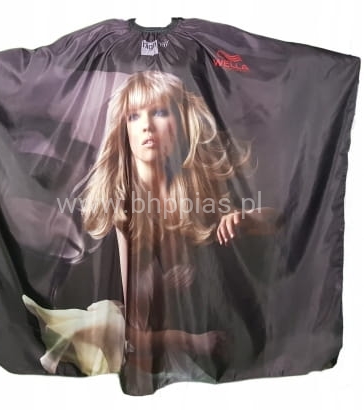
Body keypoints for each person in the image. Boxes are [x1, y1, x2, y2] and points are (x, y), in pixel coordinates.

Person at [23, 70, 279, 392]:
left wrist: (248, 219)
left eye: (159, 112)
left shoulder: (198, 183)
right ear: (124, 129)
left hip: (197, 323)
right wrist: (190, 339)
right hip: (122, 330)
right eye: (134, 116)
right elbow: (134, 329)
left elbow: (279, 222)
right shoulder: (123, 204)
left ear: (181, 121)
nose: (146, 126)